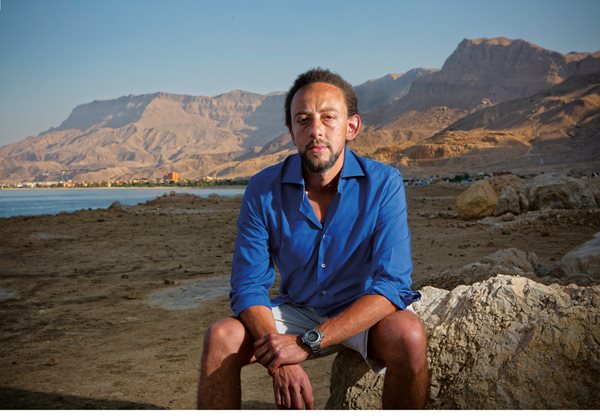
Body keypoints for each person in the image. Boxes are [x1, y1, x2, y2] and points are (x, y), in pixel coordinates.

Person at [197, 68, 428, 410]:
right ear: (291, 131)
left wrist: (307, 343)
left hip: (361, 312)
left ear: (351, 127)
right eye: (303, 119)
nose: (316, 130)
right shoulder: (263, 189)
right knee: (221, 337)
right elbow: (247, 286)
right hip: (298, 308)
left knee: (408, 335)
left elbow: (392, 284)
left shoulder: (384, 184)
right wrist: (281, 358)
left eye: (328, 118)